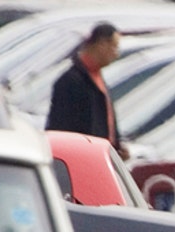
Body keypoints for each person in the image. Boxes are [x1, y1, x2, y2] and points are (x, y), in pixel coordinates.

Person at [45, 22, 128, 160]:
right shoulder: (71, 81)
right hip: (81, 159)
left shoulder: (98, 78)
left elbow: (106, 122)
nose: (116, 54)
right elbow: (61, 129)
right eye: (114, 47)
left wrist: (117, 146)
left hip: (102, 158)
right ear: (101, 44)